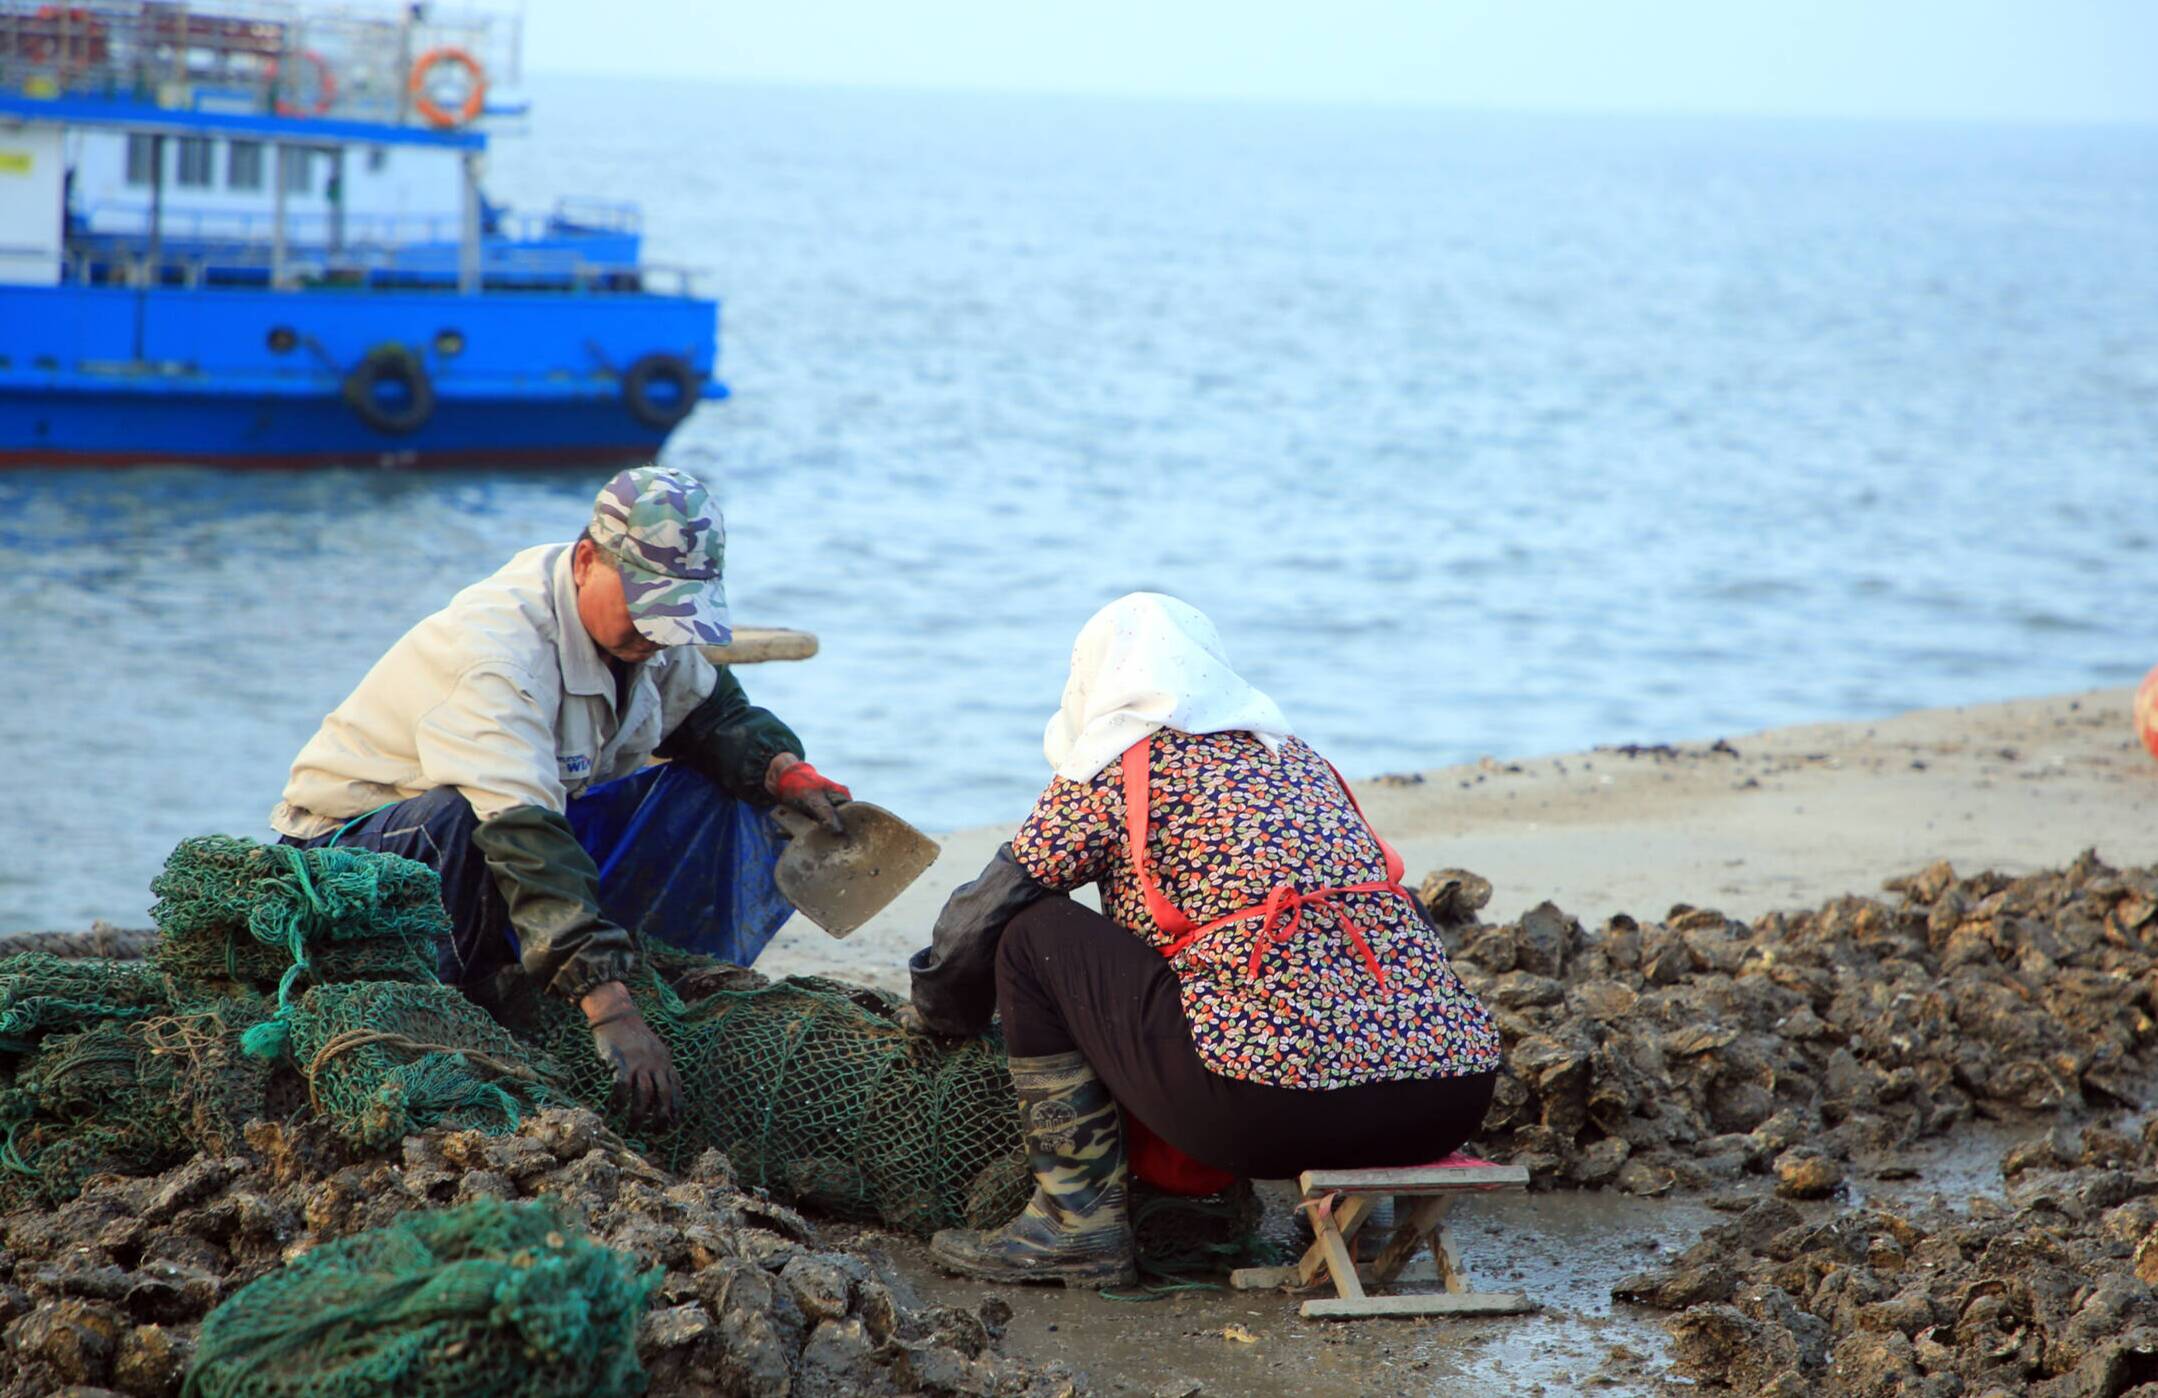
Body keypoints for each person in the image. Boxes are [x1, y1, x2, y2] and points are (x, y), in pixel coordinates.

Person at [906, 593, 1502, 1287]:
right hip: (1451, 1101)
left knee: (1035, 936)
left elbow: (983, 916)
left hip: (1270, 1112)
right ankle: (1368, 1225)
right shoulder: (1302, 762)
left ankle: (1075, 1225)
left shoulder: (1118, 767)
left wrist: (942, 1013)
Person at [269, 465, 852, 1126]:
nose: (656, 635)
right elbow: (522, 838)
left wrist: (782, 771)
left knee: (724, 786)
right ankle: (447, 1015)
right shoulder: (497, 653)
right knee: (467, 815)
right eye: (646, 610)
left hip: (521, 831)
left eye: (672, 619)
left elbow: (712, 718)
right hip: (355, 858)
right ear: (584, 562)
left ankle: (664, 985)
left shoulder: (650, 642)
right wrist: (610, 1010)